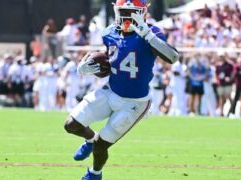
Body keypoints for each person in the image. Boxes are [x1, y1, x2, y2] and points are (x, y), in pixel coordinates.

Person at [63, 0, 179, 179]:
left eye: (130, 12)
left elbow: (173, 57)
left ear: (141, 13)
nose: (125, 16)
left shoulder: (152, 32)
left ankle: (95, 173)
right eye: (122, 11)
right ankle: (90, 140)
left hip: (135, 103)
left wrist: (147, 35)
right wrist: (90, 66)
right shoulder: (109, 32)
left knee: (102, 146)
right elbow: (108, 60)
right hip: (111, 90)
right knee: (71, 125)